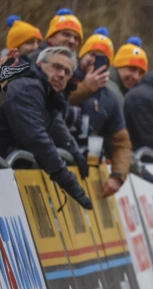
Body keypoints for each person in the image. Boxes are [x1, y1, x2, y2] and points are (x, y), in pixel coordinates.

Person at [0, 47, 92, 209]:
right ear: (40, 64)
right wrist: (68, 181)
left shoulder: (47, 91)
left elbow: (56, 125)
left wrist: (76, 153)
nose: (62, 75)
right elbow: (35, 138)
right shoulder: (28, 86)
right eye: (56, 67)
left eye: (67, 72)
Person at [69, 28, 132, 197]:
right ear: (82, 54)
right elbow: (55, 105)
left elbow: (121, 143)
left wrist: (117, 177)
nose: (94, 61)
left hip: (89, 170)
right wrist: (85, 88)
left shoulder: (110, 97)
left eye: (101, 58)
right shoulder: (64, 76)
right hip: (57, 164)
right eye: (92, 54)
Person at [107, 37, 148, 103]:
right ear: (118, 66)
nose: (136, 77)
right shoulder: (105, 90)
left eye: (140, 73)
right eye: (132, 69)